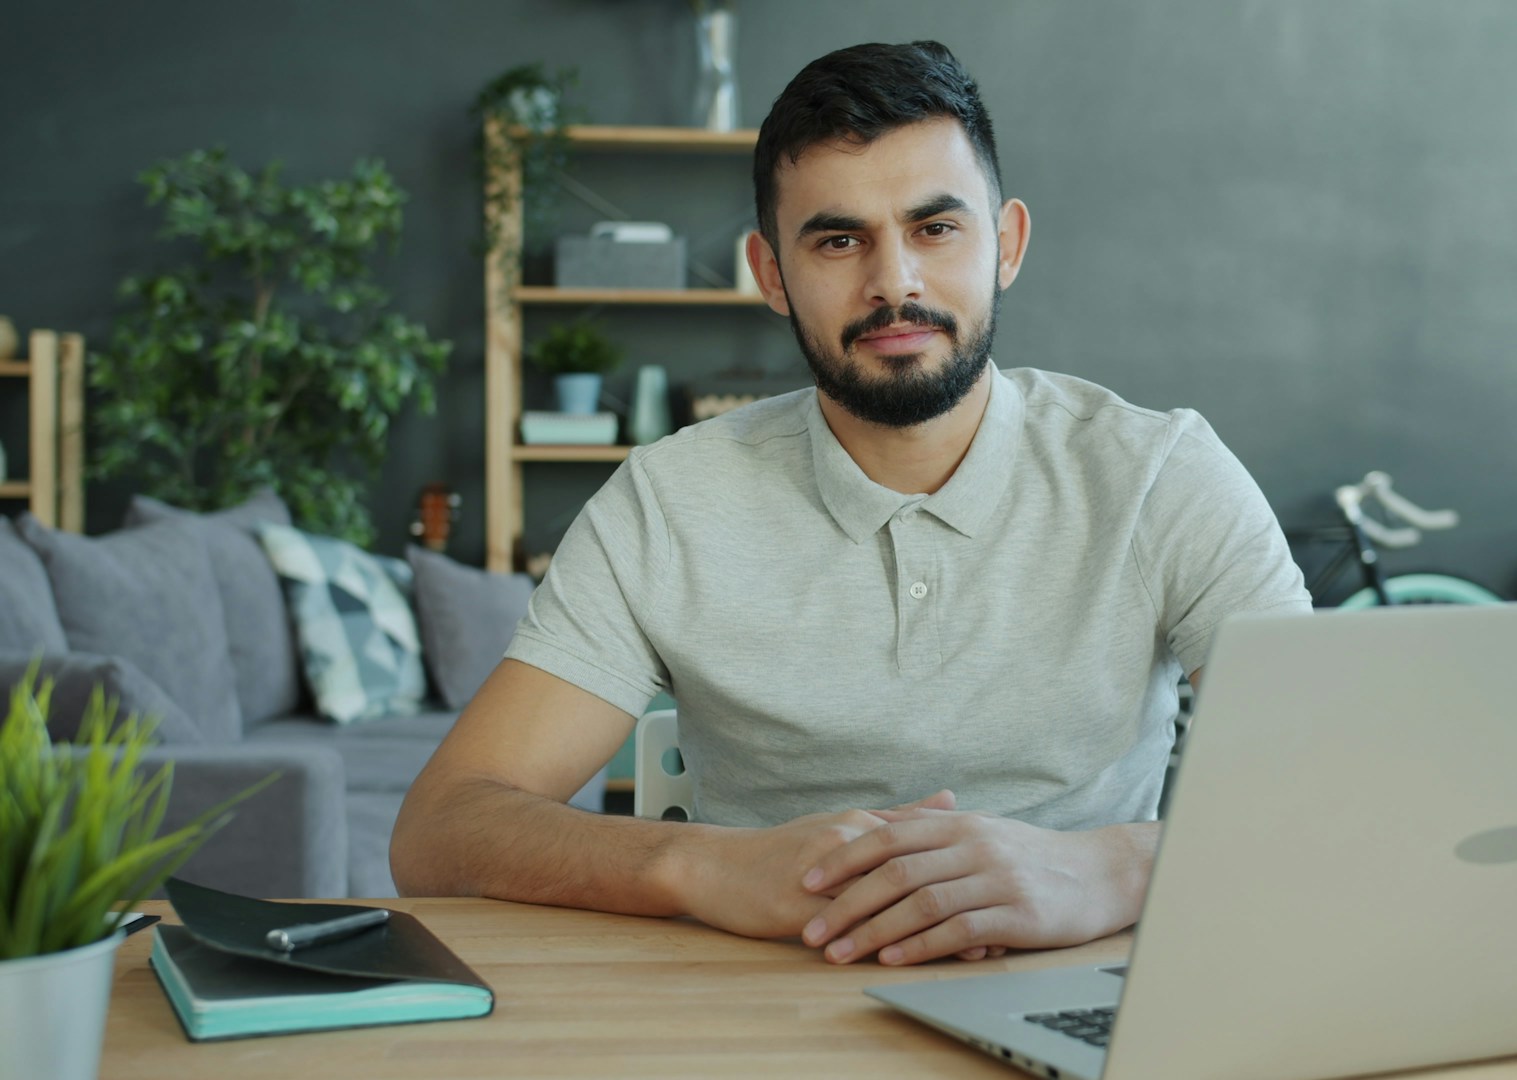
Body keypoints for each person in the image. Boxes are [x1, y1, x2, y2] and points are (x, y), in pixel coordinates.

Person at [391, 40, 1309, 967]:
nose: (894, 282)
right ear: (771, 274)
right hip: (755, 1013)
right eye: (839, 239)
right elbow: (440, 829)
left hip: (1098, 1008)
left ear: (1009, 245)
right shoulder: (668, 501)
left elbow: (1342, 794)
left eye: (936, 229)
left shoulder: (1163, 474)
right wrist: (702, 865)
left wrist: (1110, 870)